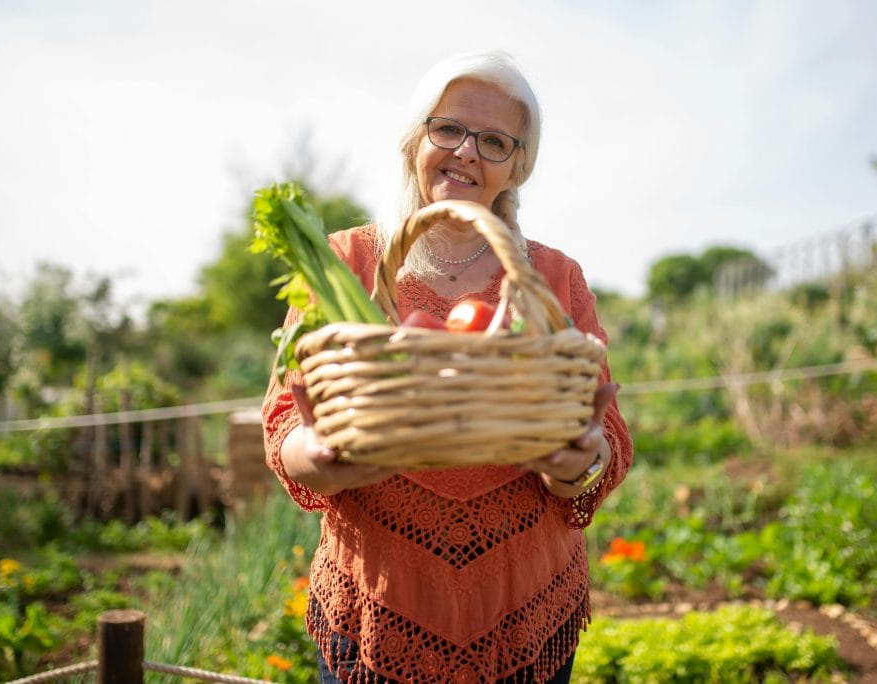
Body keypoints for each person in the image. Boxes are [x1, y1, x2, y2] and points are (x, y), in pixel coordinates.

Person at [262, 50, 633, 684]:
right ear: (416, 138)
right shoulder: (342, 262)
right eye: (449, 129)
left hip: (524, 605)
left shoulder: (553, 277)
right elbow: (281, 418)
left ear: (519, 164)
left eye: (494, 141)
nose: (466, 152)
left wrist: (576, 468)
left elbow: (609, 441)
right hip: (375, 599)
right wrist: (315, 454)